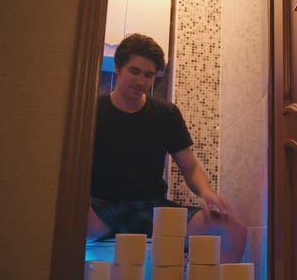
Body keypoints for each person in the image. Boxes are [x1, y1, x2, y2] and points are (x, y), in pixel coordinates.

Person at [87, 33, 247, 263]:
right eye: (134, 71)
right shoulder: (92, 112)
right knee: (64, 222)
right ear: (118, 68)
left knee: (234, 231)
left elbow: (190, 169)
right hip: (102, 209)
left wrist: (205, 191)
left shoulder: (166, 114)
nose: (141, 80)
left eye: (149, 75)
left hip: (154, 209)